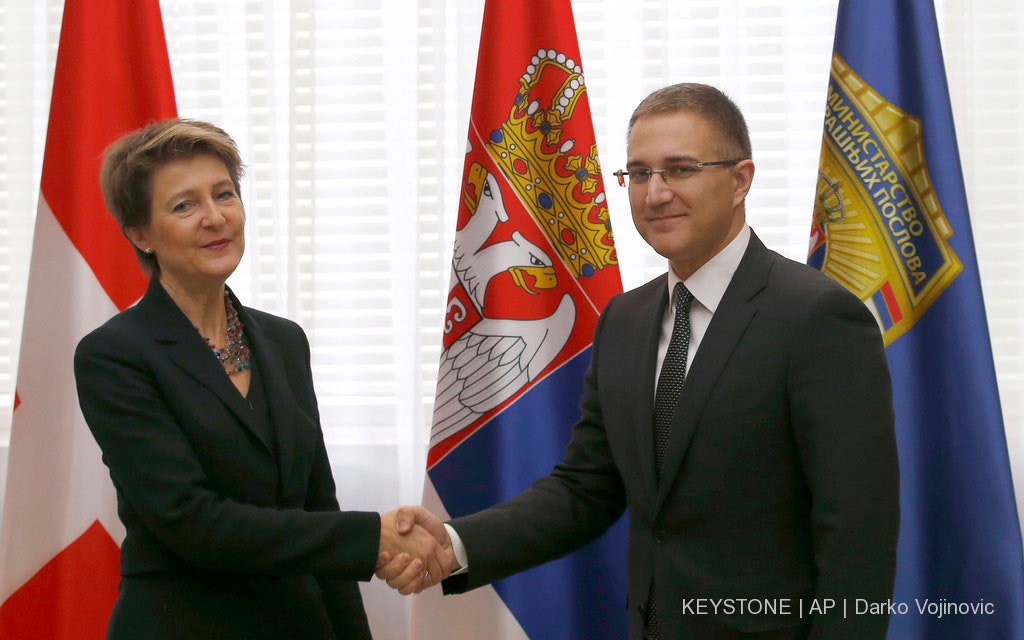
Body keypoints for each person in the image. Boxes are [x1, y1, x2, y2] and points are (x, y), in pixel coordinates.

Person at [380, 83, 900, 639]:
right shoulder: (625, 319)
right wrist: (453, 544)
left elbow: (856, 537)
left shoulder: (816, 317)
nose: (655, 194)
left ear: (741, 179)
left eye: (680, 169)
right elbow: (585, 488)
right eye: (639, 173)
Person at [74, 118, 449, 639]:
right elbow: (194, 524)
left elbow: (318, 505)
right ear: (140, 234)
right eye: (185, 205)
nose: (215, 217)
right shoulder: (113, 356)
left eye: (224, 194)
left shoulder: (284, 341)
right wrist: (372, 537)